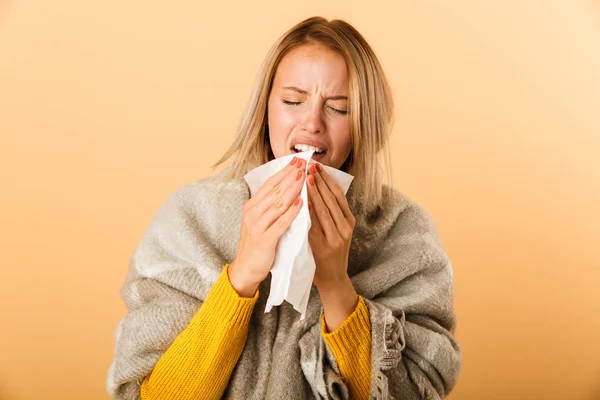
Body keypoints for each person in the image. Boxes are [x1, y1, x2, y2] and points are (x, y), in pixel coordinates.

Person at [106, 16, 462, 400]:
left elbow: (415, 391)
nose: (311, 123)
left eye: (339, 109)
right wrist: (241, 277)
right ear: (266, 108)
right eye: (293, 101)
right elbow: (151, 394)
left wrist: (336, 286)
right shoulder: (191, 217)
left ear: (364, 123)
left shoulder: (403, 231)